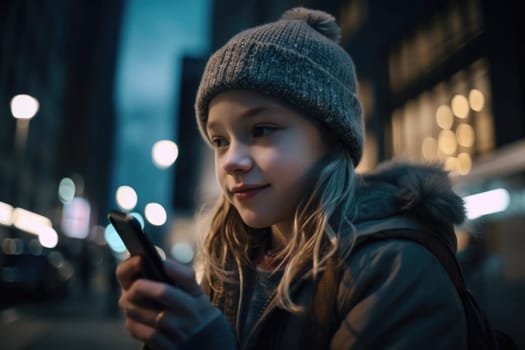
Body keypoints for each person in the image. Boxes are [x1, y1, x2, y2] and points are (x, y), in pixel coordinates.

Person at [116, 7, 469, 349]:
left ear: (331, 139)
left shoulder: (396, 270)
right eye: (220, 141)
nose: (230, 161)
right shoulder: (230, 262)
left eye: (262, 130)